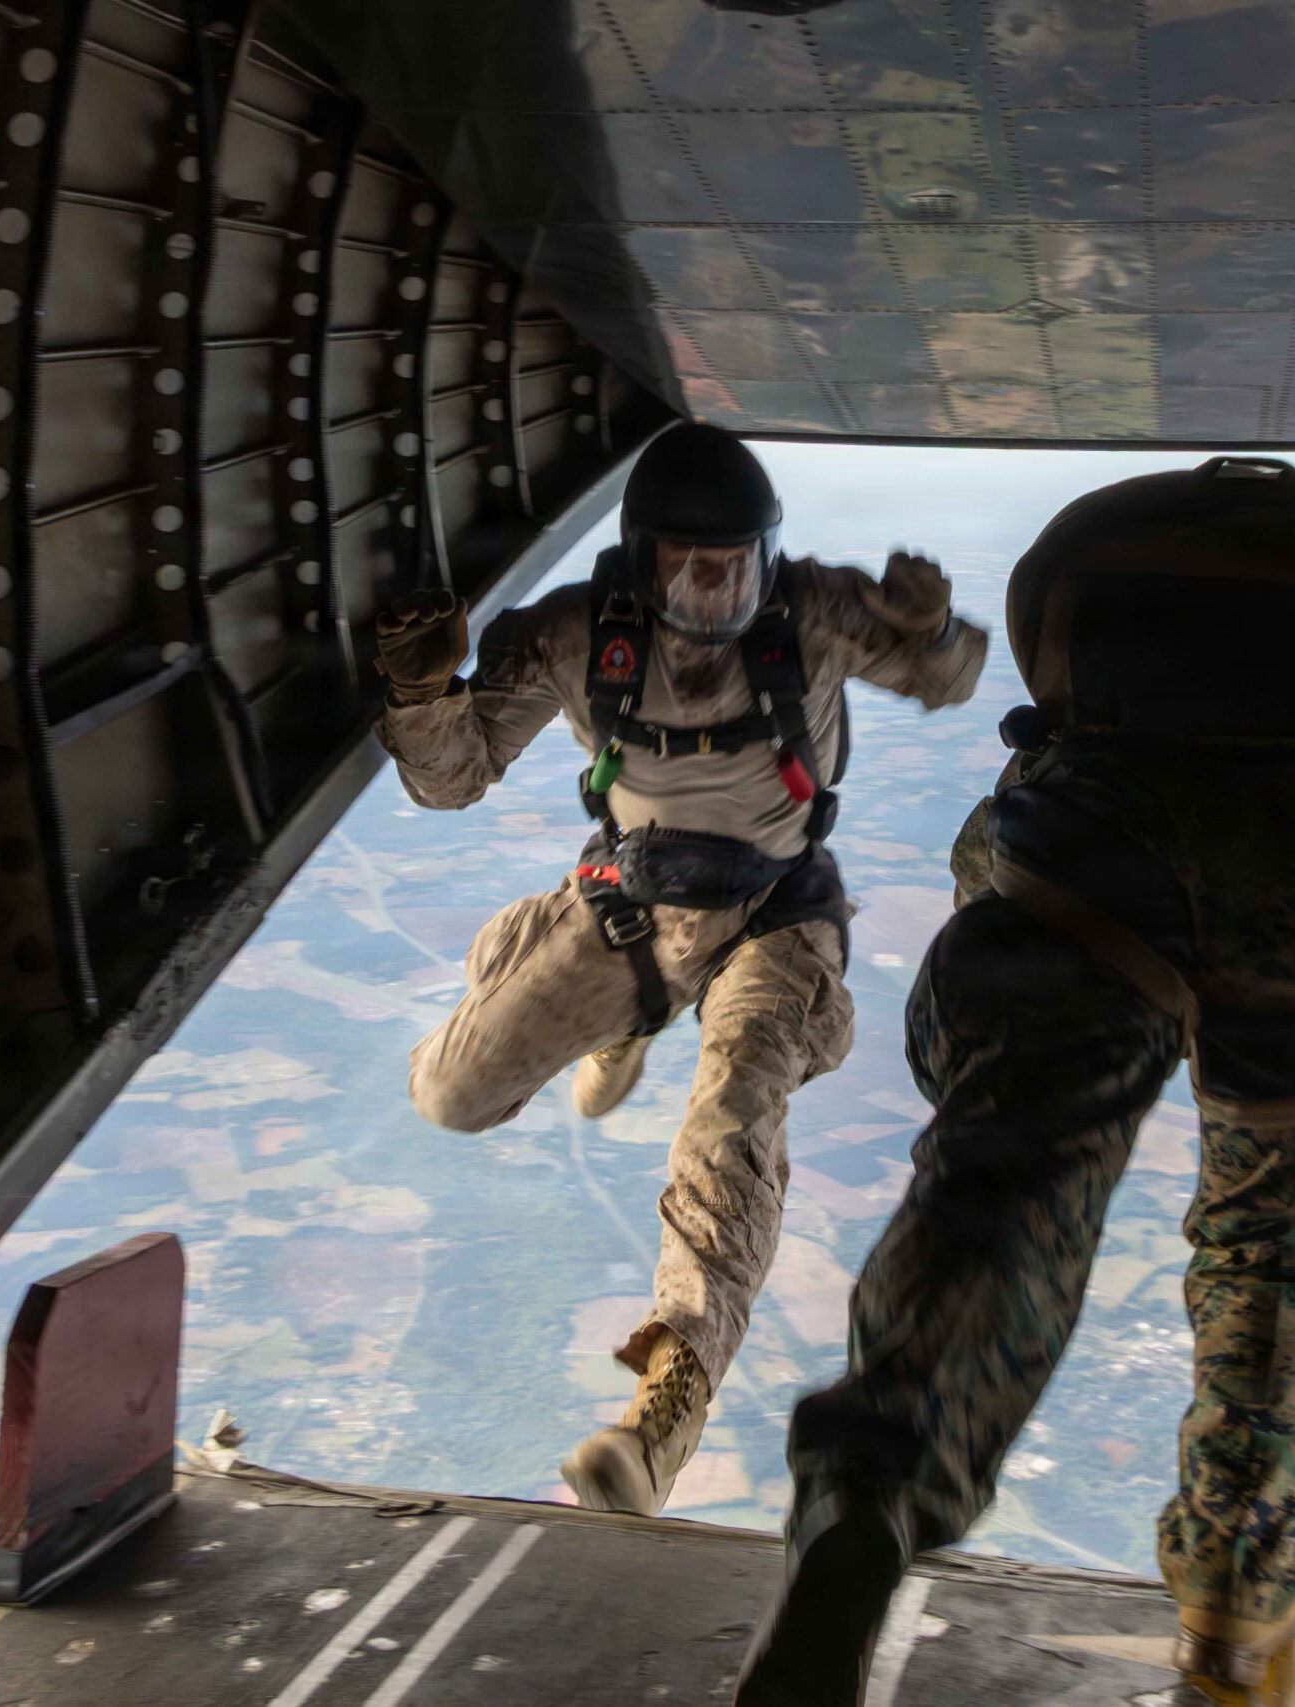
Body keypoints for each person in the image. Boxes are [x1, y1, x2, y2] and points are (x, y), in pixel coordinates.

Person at [729, 458, 1295, 1706]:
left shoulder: (1085, 727)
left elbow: (989, 860)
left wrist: (1021, 1033)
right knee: (1283, 1240)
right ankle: (1230, 1604)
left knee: (1004, 1187)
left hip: (1087, 859)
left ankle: (872, 1493)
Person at [371, 420, 988, 1517]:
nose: (715, 589)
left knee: (732, 1116)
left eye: (734, 566)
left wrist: (930, 625)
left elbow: (946, 678)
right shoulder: (570, 637)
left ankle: (670, 1402)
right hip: (629, 912)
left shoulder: (815, 611)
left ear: (766, 553)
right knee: (449, 1095)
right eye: (690, 569)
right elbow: (453, 780)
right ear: (641, 559)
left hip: (776, 912)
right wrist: (423, 696)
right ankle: (611, 1018)